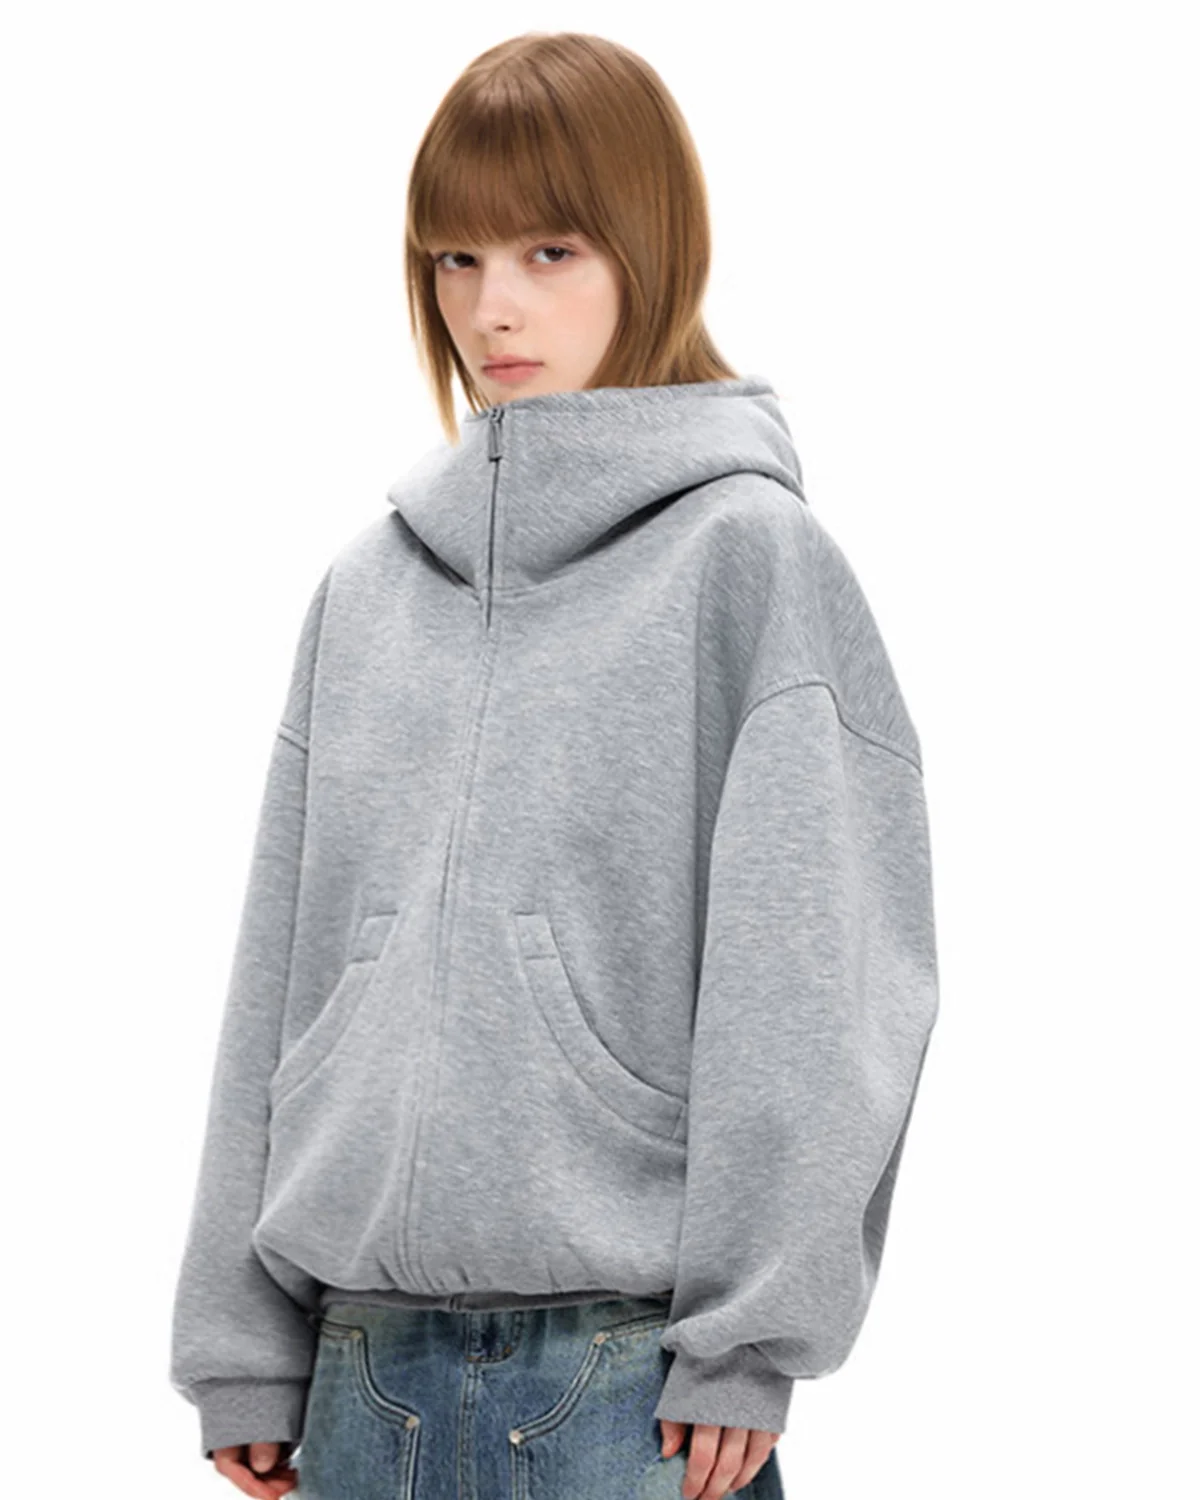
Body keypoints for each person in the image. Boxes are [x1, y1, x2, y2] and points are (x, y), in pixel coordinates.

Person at [169, 29, 940, 1500]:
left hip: (628, 1390)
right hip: (357, 1380)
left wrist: (750, 1338)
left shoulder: (749, 562)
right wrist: (238, 1342)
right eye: (455, 259)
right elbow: (281, 972)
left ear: (653, 249)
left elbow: (820, 986)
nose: (491, 307)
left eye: (549, 250)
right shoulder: (366, 590)